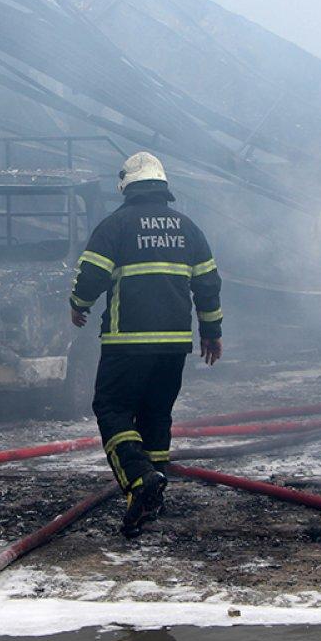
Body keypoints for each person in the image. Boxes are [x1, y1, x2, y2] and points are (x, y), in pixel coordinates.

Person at [69, 152, 222, 538]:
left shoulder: (116, 225)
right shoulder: (188, 228)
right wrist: (211, 332)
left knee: (112, 408)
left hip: (127, 342)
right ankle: (153, 494)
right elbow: (208, 284)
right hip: (174, 344)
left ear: (126, 187)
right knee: (156, 415)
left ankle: (140, 481)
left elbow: (90, 276)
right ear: (162, 185)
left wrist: (78, 305)